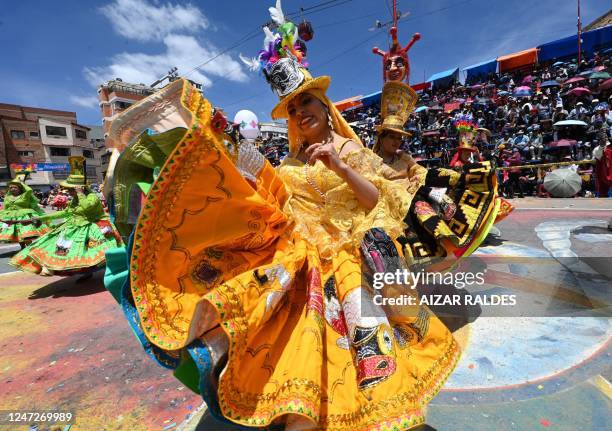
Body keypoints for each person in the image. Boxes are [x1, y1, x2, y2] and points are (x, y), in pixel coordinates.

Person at [104, 7, 459, 430]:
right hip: (303, 268)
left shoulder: (352, 152)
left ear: (325, 106)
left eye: (306, 102)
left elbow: (376, 203)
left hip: (353, 262)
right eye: (291, 110)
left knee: (371, 369)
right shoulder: (287, 167)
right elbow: (278, 208)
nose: (299, 113)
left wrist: (341, 168)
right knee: (301, 373)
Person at [10, 156, 121, 277]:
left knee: (84, 250)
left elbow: (86, 207)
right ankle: (51, 267)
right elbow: (65, 213)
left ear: (80, 188)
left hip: (93, 225)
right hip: (74, 226)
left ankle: (92, 271)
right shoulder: (74, 199)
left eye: (70, 189)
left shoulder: (92, 197)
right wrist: (39, 218)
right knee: (56, 243)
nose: (68, 192)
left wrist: (80, 194)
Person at [0, 173, 49, 248]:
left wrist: (21, 183)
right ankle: (22, 247)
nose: (12, 189)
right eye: (11, 188)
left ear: (20, 188)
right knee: (17, 233)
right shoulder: (7, 197)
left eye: (15, 187)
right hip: (11, 217)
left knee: (25, 232)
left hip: (24, 215)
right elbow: (5, 207)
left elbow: (29, 190)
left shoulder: (24, 195)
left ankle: (30, 247)